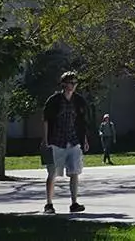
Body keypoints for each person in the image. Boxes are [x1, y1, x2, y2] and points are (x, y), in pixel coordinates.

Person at [42, 71, 90, 214]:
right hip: (56, 141)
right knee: (52, 173)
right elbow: (46, 120)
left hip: (73, 140)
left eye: (75, 83)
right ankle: (49, 204)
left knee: (74, 172)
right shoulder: (54, 100)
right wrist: (45, 140)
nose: (73, 86)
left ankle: (74, 203)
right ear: (64, 84)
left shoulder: (78, 100)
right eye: (70, 83)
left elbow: (81, 122)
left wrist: (85, 139)